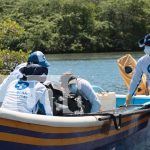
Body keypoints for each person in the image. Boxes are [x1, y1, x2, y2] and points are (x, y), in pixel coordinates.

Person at [126, 34, 150, 106]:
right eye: (147, 45)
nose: (148, 47)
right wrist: (129, 95)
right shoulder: (142, 61)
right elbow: (135, 80)